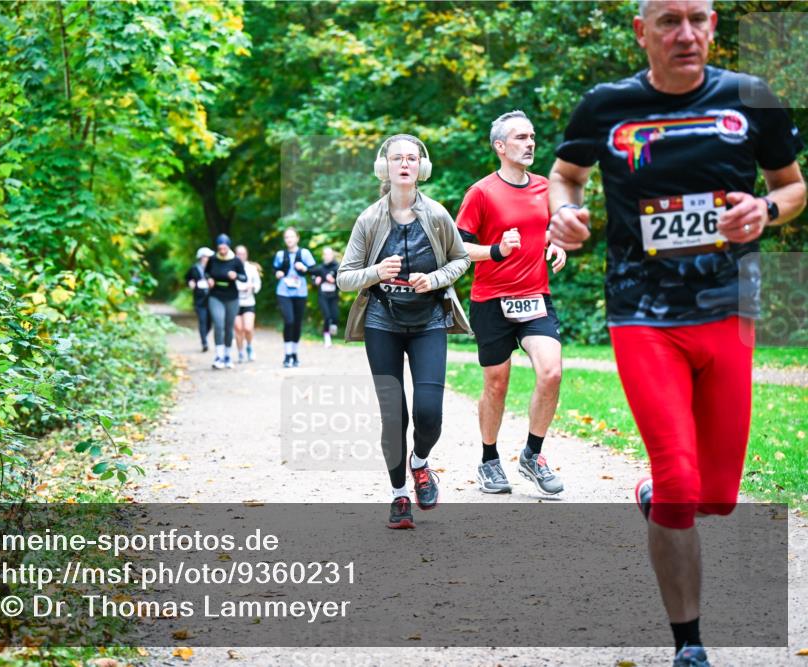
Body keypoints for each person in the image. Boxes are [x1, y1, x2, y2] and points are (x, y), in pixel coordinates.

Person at [548, 1, 805, 665]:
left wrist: (765, 208)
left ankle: (656, 498)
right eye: (669, 21)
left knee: (716, 498)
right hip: (642, 314)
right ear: (643, 32)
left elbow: (792, 187)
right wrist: (565, 214)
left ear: (714, 26)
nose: (685, 33)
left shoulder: (751, 98)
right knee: (680, 482)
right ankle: (688, 643)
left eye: (698, 18)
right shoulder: (606, 106)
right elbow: (566, 176)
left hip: (729, 309)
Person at [337, 134, 472, 529]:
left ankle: (420, 463)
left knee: (429, 413)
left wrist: (435, 279)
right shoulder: (369, 219)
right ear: (385, 167)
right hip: (383, 322)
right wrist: (376, 272)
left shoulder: (437, 215)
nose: (405, 164)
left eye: (412, 158)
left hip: (429, 321)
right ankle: (399, 495)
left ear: (421, 168)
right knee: (393, 416)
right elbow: (344, 277)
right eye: (397, 158)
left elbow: (461, 259)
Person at [454, 111, 568, 497]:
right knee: (496, 384)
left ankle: (532, 455)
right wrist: (496, 250)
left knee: (551, 372)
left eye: (532, 136)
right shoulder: (481, 192)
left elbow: (548, 229)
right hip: (491, 301)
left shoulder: (544, 188)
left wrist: (556, 244)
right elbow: (458, 248)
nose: (530, 143)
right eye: (521, 137)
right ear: (500, 147)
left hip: (535, 298)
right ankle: (489, 460)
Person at [273, 228, 315, 367]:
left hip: (300, 292)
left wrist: (305, 268)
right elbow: (275, 269)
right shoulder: (280, 254)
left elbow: (314, 270)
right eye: (286, 237)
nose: (289, 239)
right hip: (283, 292)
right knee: (289, 321)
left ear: (297, 238)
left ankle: (294, 354)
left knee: (297, 323)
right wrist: (277, 273)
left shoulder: (304, 253)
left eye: (291, 237)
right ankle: (287, 355)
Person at [205, 234, 247, 370]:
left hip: (232, 297)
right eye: (220, 248)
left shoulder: (235, 261)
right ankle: (219, 356)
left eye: (224, 248)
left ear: (228, 246)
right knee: (218, 324)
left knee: (229, 327)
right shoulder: (213, 259)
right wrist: (209, 279)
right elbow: (206, 272)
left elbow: (244, 277)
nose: (222, 250)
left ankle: (227, 355)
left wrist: (236, 276)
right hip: (215, 296)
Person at [233, 245, 262, 363]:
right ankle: (240, 351)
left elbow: (258, 284)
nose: (241, 256)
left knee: (248, 328)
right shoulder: (232, 268)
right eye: (239, 254)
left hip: (249, 301)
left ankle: (249, 346)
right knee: (238, 329)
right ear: (235, 255)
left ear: (247, 255)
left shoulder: (251, 268)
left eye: (243, 254)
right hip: (235, 302)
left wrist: (252, 287)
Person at [185, 247, 213, 352]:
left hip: (211, 298)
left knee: (209, 322)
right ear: (201, 257)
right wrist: (190, 283)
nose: (207, 259)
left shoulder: (213, 269)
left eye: (208, 257)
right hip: (199, 299)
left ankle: (204, 335)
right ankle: (204, 342)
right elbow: (187, 278)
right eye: (206, 257)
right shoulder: (194, 269)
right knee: (202, 320)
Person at [312, 247, 341, 348]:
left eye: (329, 254)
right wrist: (315, 281)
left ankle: (332, 329)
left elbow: (342, 283)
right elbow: (312, 276)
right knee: (327, 316)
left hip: (334, 297)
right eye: (325, 254)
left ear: (332, 255)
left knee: (335, 316)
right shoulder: (320, 268)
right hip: (323, 296)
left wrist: (334, 281)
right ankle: (327, 339)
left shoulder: (337, 268)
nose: (327, 256)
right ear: (323, 256)